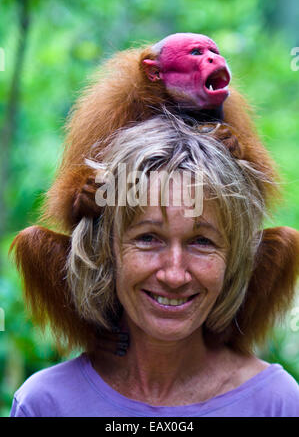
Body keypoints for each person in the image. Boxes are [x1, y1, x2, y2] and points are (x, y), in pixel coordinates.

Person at [10, 115, 299, 417]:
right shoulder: (45, 404)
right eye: (148, 238)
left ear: (235, 257)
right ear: (106, 249)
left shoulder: (276, 403)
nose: (174, 275)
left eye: (201, 241)